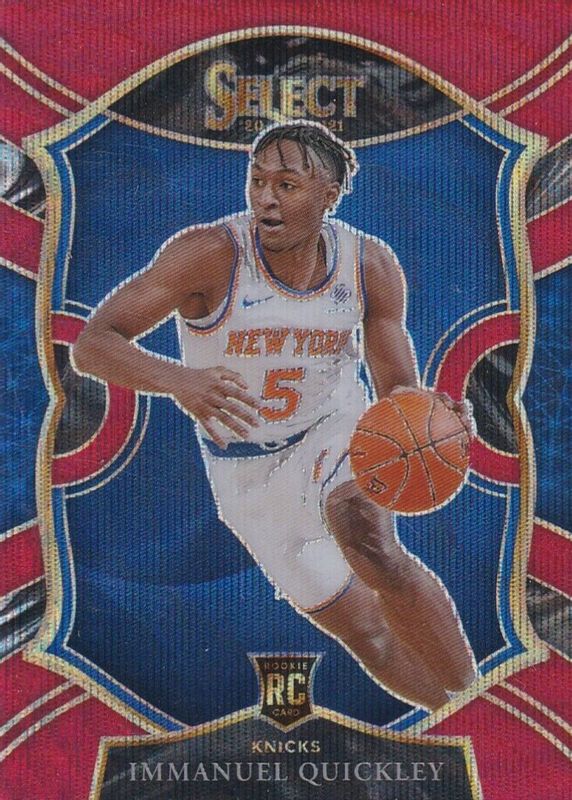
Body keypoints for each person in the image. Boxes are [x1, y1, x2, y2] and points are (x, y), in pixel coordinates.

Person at [73, 122, 477, 710]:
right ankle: (447, 711)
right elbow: (93, 344)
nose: (265, 197)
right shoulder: (209, 254)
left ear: (328, 195)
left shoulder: (368, 264)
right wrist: (179, 380)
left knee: (369, 540)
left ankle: (481, 705)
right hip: (244, 476)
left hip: (332, 429)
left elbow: (396, 389)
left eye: (286, 185)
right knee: (367, 635)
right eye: (257, 180)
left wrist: (433, 421)